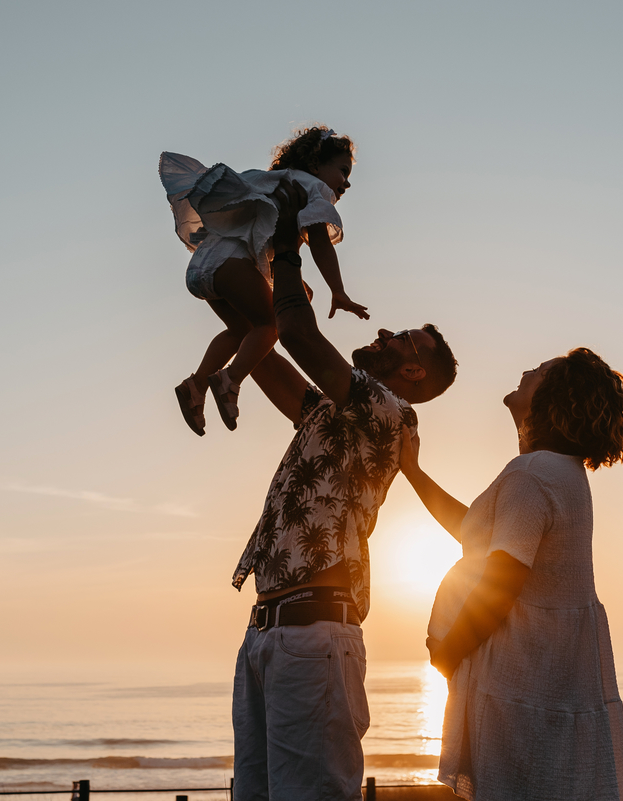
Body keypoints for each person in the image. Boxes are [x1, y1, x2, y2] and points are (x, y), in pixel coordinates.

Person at [229, 178, 458, 801]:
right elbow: (271, 355)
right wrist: (225, 268)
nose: (386, 334)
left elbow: (300, 337)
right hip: (267, 635)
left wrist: (285, 237)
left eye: (403, 341)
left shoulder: (388, 413)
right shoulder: (331, 412)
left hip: (313, 639)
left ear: (412, 371)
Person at [399, 348, 623, 801]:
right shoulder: (558, 472)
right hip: (544, 681)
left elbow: (503, 578)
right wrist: (413, 472)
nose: (530, 368)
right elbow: (475, 531)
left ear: (553, 397)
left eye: (543, 371)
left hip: (518, 688)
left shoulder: (532, 474)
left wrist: (447, 654)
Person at [159, 126, 368, 436]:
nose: (346, 183)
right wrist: (338, 291)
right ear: (315, 165)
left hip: (205, 263)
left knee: (242, 330)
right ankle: (230, 381)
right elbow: (321, 244)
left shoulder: (273, 181)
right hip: (232, 263)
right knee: (271, 324)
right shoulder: (313, 188)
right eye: (343, 171)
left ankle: (197, 384)